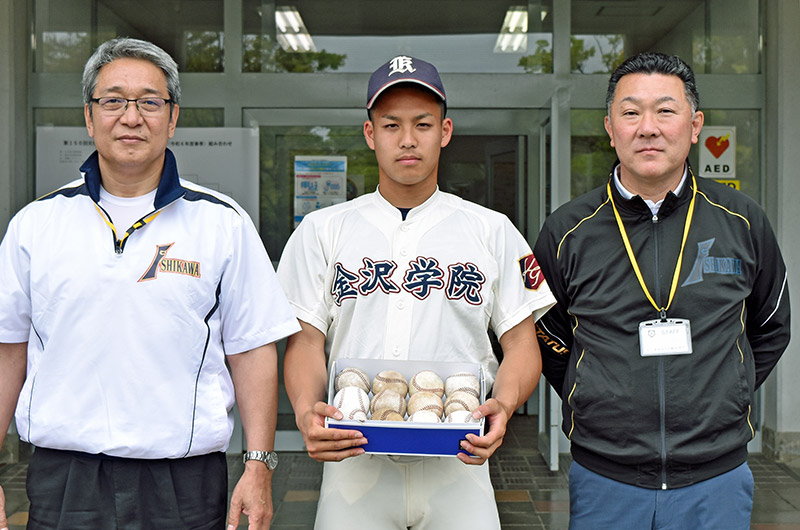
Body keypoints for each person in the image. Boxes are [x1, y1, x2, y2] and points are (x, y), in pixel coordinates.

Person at [0, 37, 300, 530]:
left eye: (149, 102)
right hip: (65, 477)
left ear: (173, 117)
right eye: (113, 101)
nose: (131, 117)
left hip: (182, 483)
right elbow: (8, 349)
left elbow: (252, 350)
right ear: (89, 116)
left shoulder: (222, 223)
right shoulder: (36, 223)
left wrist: (259, 464)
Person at [276, 55, 556, 529]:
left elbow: (523, 344)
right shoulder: (322, 230)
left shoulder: (492, 229)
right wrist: (306, 412)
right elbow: (304, 341)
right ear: (370, 134)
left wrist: (504, 406)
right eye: (392, 125)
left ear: (445, 131)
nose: (407, 139)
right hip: (354, 464)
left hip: (459, 462)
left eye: (422, 124)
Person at [533, 52, 791, 529]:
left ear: (695, 126)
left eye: (665, 111)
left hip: (716, 478)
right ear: (610, 128)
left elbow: (771, 325)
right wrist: (591, 392)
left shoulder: (742, 221)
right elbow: (544, 331)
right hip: (605, 477)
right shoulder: (568, 231)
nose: (647, 128)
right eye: (631, 112)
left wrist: (724, 392)